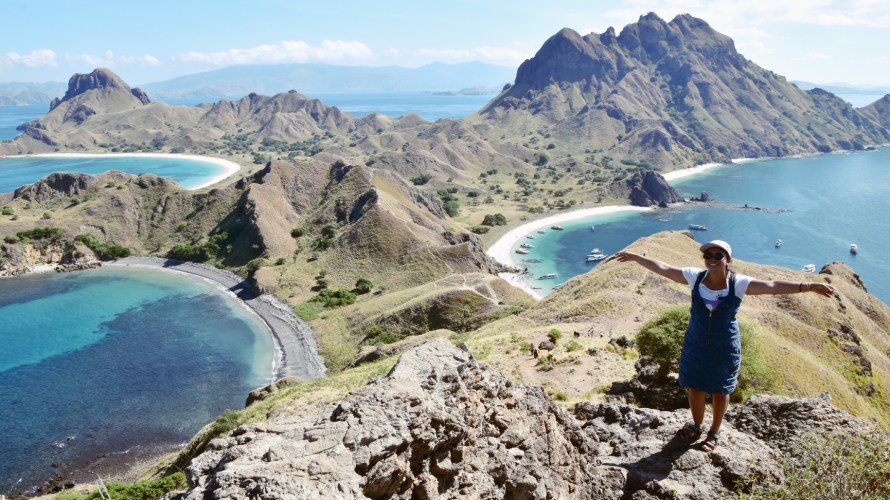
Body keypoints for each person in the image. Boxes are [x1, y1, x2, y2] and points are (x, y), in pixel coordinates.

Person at [614, 240, 835, 451]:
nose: (712, 259)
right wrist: (636, 257)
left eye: (718, 255)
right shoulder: (695, 277)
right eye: (708, 255)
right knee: (695, 387)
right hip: (696, 343)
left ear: (727, 259)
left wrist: (808, 286)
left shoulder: (738, 284)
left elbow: (772, 286)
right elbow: (663, 268)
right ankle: (696, 426)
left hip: (725, 346)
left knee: (720, 390)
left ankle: (714, 432)